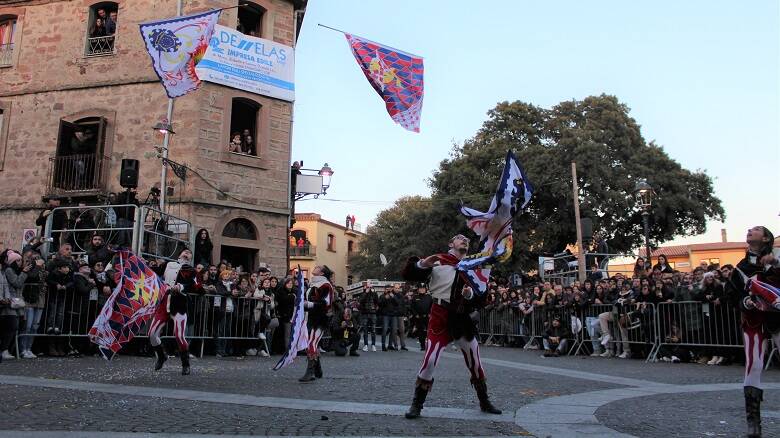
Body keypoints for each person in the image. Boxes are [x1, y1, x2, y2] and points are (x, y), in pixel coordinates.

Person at [401, 234, 501, 419]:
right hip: (440, 314)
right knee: (430, 360)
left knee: (475, 362)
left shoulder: (475, 265)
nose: (464, 240)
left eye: (467, 240)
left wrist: (470, 295)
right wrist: (423, 264)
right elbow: (409, 275)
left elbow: (483, 298)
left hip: (462, 318)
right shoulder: (439, 260)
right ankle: (417, 404)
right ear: (451, 244)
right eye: (459, 238)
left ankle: (484, 401)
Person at [724, 226, 780, 438]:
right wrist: (745, 301)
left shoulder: (777, 259)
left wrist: (776, 263)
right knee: (753, 366)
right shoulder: (741, 266)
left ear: (765, 237)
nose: (749, 231)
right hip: (753, 321)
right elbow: (732, 294)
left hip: (778, 319)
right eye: (748, 229)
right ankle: (753, 423)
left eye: (755, 230)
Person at [149, 249, 198, 375]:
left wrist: (180, 287)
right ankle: (161, 356)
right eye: (185, 252)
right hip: (164, 302)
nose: (186, 254)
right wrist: (145, 265)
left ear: (191, 257)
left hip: (179, 305)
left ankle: (185, 364)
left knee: (179, 335)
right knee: (152, 334)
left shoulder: (191, 270)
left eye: (189, 253)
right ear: (180, 254)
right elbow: (155, 272)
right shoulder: (167, 264)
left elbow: (192, 285)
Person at [298, 265, 334, 383]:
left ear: (322, 273)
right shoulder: (313, 284)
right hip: (311, 318)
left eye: (319, 267)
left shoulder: (326, 285)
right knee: (313, 344)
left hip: (320, 319)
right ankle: (318, 370)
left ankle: (311, 372)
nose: (316, 267)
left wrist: (309, 304)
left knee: (312, 343)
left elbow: (326, 304)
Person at [409, 283, 432, 351]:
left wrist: (430, 313)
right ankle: (422, 345)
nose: (422, 290)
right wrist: (415, 314)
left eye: (423, 288)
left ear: (425, 289)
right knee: (420, 332)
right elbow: (412, 307)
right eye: (420, 289)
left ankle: (430, 345)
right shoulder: (415, 297)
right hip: (419, 317)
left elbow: (432, 306)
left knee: (429, 332)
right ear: (418, 290)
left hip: (427, 317)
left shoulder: (429, 297)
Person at [359, 286, 380, 352]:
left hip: (373, 313)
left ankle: (373, 345)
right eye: (368, 287)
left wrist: (374, 293)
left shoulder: (374, 293)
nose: (369, 288)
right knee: (365, 330)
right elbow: (361, 301)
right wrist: (366, 293)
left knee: (373, 330)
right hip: (365, 313)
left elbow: (377, 301)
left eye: (370, 287)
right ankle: (366, 345)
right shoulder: (363, 294)